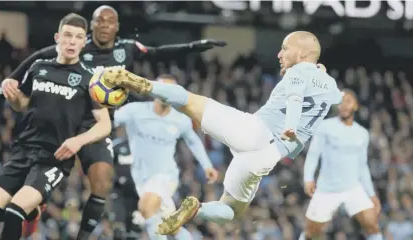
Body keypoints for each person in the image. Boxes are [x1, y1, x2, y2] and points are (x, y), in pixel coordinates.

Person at [0, 5, 226, 238]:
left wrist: (194, 47)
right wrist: (12, 79)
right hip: (69, 116)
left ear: (117, 27)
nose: (104, 26)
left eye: (110, 22)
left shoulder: (127, 49)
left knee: (106, 183)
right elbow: (40, 55)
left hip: (98, 120)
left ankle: (82, 234)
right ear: (91, 25)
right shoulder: (79, 46)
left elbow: (158, 52)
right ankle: (31, 202)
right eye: (99, 21)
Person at [98, 30, 343, 235]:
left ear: (301, 54)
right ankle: (198, 209)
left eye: (284, 48)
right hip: (266, 158)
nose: (279, 54)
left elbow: (295, 97)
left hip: (255, 131)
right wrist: (317, 69)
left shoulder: (297, 72)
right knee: (231, 211)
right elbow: (333, 95)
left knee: (189, 102)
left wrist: (289, 122)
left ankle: (141, 83)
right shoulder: (331, 86)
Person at [0, 13, 111, 240]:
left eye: (78, 37)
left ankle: (28, 210)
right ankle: (33, 212)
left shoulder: (91, 79)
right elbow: (23, 105)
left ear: (84, 42)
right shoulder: (39, 66)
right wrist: (13, 96)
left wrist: (77, 141)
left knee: (14, 212)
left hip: (54, 159)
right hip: (22, 151)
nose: (72, 41)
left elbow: (105, 125)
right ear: (57, 38)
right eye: (68, 35)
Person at [113, 74, 219, 240]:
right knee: (168, 224)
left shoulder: (180, 120)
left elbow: (193, 141)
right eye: (163, 89)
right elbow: (110, 122)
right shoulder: (134, 110)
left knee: (146, 208)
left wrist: (207, 165)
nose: (166, 95)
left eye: (171, 91)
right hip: (141, 177)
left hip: (165, 175)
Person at [300, 90, 382, 240]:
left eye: (348, 101)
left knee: (373, 227)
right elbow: (313, 155)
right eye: (340, 102)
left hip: (353, 188)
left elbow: (362, 166)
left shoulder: (362, 133)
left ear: (355, 105)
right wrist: (308, 179)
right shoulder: (325, 126)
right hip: (327, 189)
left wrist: (371, 194)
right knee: (311, 233)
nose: (343, 105)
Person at [109, 127, 143, 240]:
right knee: (118, 229)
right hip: (120, 193)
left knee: (135, 231)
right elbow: (106, 164)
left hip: (138, 195)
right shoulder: (116, 145)